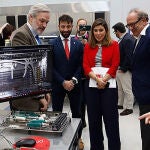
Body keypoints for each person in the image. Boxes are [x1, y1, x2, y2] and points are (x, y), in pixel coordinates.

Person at [83, 18, 121, 150]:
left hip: (109, 87)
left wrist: (103, 80)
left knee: (111, 123)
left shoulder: (114, 44)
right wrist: (97, 79)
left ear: (106, 30)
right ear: (92, 32)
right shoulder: (88, 46)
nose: (98, 33)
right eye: (95, 30)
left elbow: (115, 64)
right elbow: (85, 66)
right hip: (92, 87)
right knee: (94, 122)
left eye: (101, 30)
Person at [50, 14, 84, 150]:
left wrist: (74, 80)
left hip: (75, 85)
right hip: (58, 85)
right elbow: (50, 67)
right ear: (58, 26)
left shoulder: (78, 44)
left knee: (77, 113)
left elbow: (81, 65)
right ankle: (58, 138)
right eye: (63, 26)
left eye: (68, 26)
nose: (65, 29)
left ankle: (78, 138)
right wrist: (62, 81)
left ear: (72, 26)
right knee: (57, 113)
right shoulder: (52, 44)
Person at [10, 3, 51, 112]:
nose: (45, 25)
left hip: (35, 96)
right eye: (42, 21)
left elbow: (39, 68)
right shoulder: (21, 35)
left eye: (47, 22)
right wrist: (40, 96)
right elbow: (25, 71)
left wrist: (44, 91)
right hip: (26, 101)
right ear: (30, 17)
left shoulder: (36, 36)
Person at [126, 8, 150, 150]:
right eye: (128, 25)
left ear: (144, 20)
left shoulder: (148, 36)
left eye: (133, 24)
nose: (130, 28)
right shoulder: (140, 37)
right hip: (144, 97)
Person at [112, 22, 135, 116]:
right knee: (120, 89)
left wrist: (124, 68)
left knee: (127, 89)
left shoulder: (128, 39)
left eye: (115, 32)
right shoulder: (122, 39)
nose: (115, 33)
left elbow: (129, 56)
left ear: (118, 31)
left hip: (124, 69)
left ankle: (129, 108)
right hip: (119, 68)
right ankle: (120, 104)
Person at [75, 18, 89, 128]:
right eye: (80, 26)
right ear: (77, 27)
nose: (82, 28)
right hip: (78, 75)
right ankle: (81, 120)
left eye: (84, 25)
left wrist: (87, 45)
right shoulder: (73, 40)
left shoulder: (92, 39)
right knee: (79, 100)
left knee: (90, 100)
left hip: (90, 75)